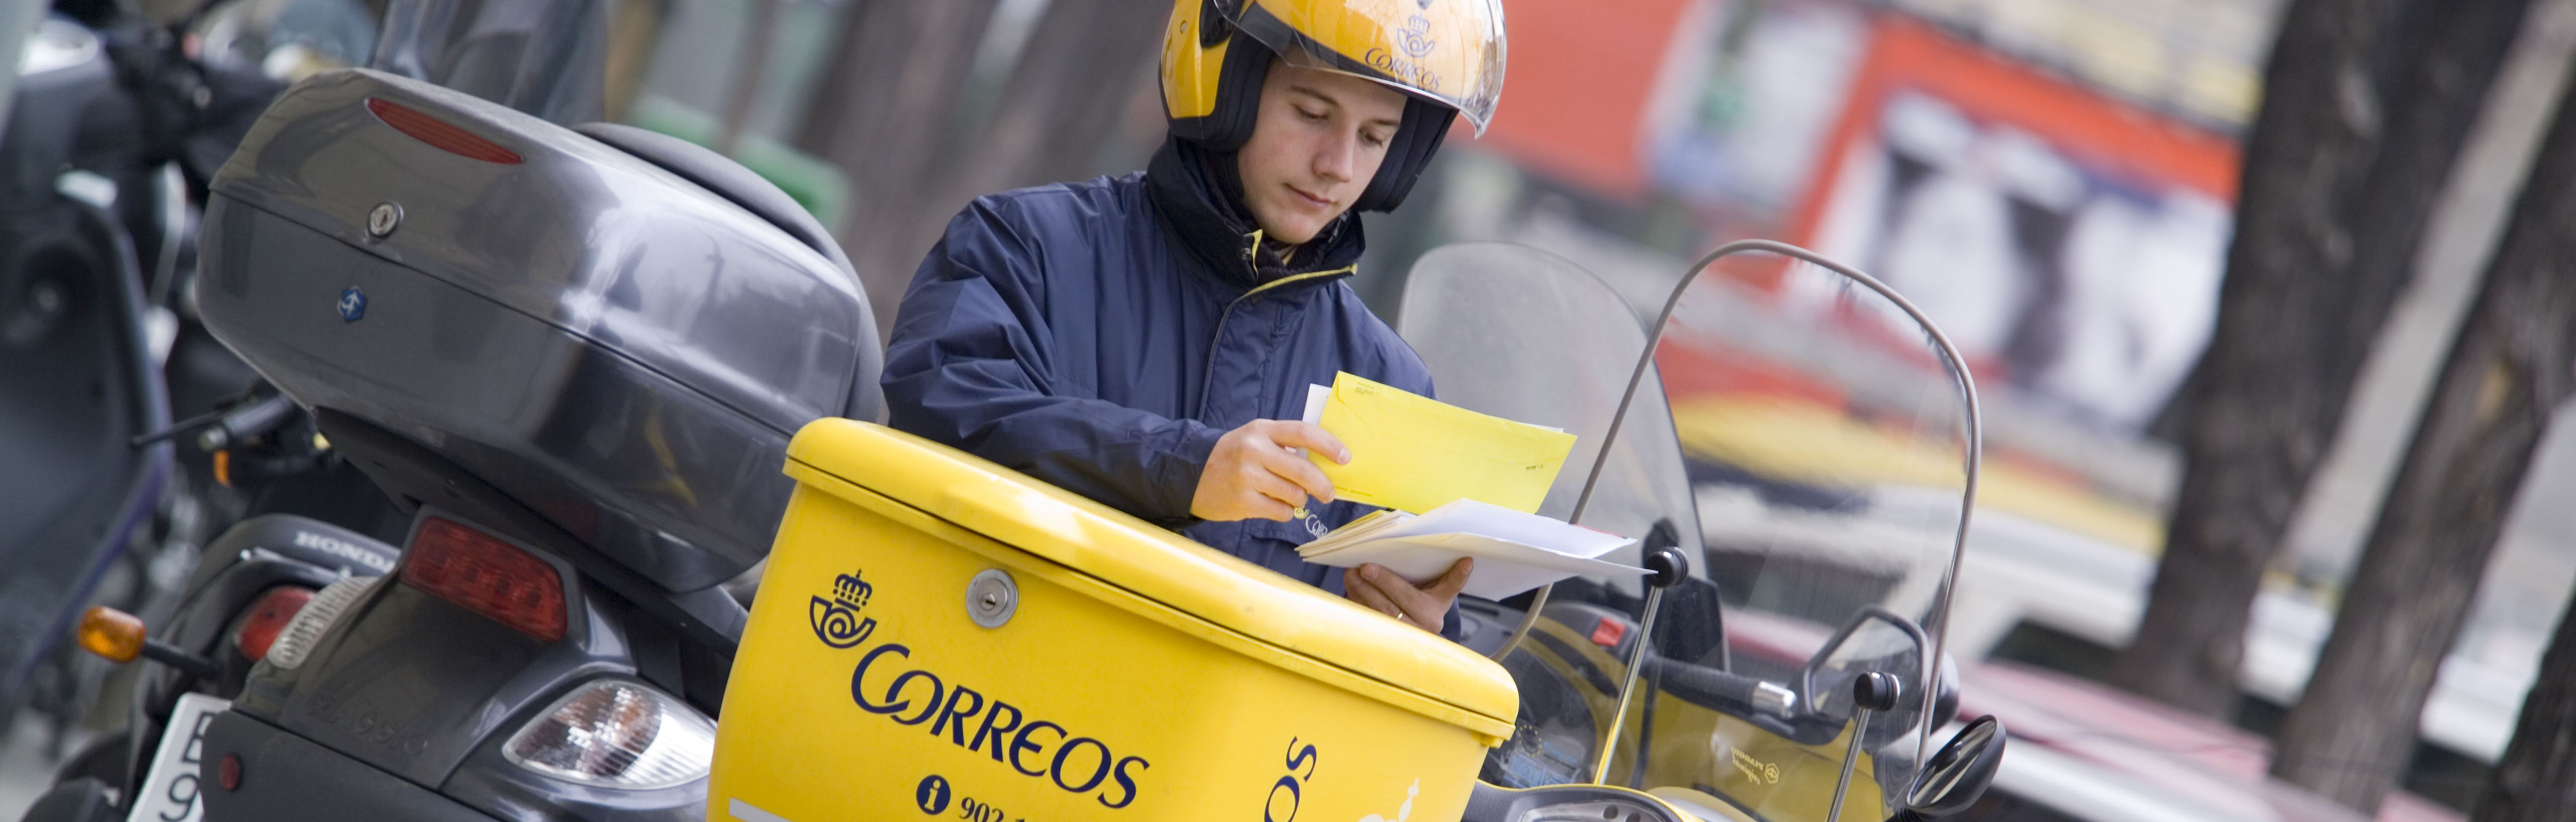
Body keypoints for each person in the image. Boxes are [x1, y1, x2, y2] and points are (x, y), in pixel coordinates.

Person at [880, 0, 1505, 635]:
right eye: (1312, 113)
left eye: (1375, 138)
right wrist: (1178, 467)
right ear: (1221, 88)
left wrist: (1420, 637)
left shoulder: (1390, 386)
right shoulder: (1024, 246)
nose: (1338, 166)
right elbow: (941, 402)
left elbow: (1382, 661)